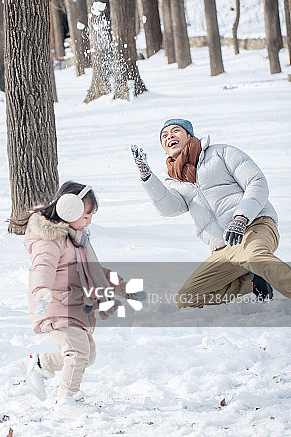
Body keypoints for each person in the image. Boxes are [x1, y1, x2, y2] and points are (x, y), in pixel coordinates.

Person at [131, 118, 289, 308]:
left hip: (253, 227)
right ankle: (255, 279)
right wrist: (147, 176)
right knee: (187, 299)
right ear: (164, 149)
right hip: (222, 249)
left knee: (254, 257)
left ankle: (265, 271)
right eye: (164, 136)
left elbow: (256, 182)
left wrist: (241, 217)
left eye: (175, 131)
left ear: (190, 136)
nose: (169, 136)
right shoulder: (174, 179)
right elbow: (169, 208)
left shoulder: (220, 153)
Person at [17, 181, 121, 411]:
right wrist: (41, 290)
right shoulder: (51, 239)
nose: (89, 221)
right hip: (56, 304)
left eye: (91, 215)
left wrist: (113, 283)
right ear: (68, 210)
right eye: (85, 215)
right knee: (77, 352)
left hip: (75, 304)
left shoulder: (78, 239)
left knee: (87, 355)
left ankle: (40, 364)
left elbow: (89, 269)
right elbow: (42, 267)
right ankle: (66, 397)